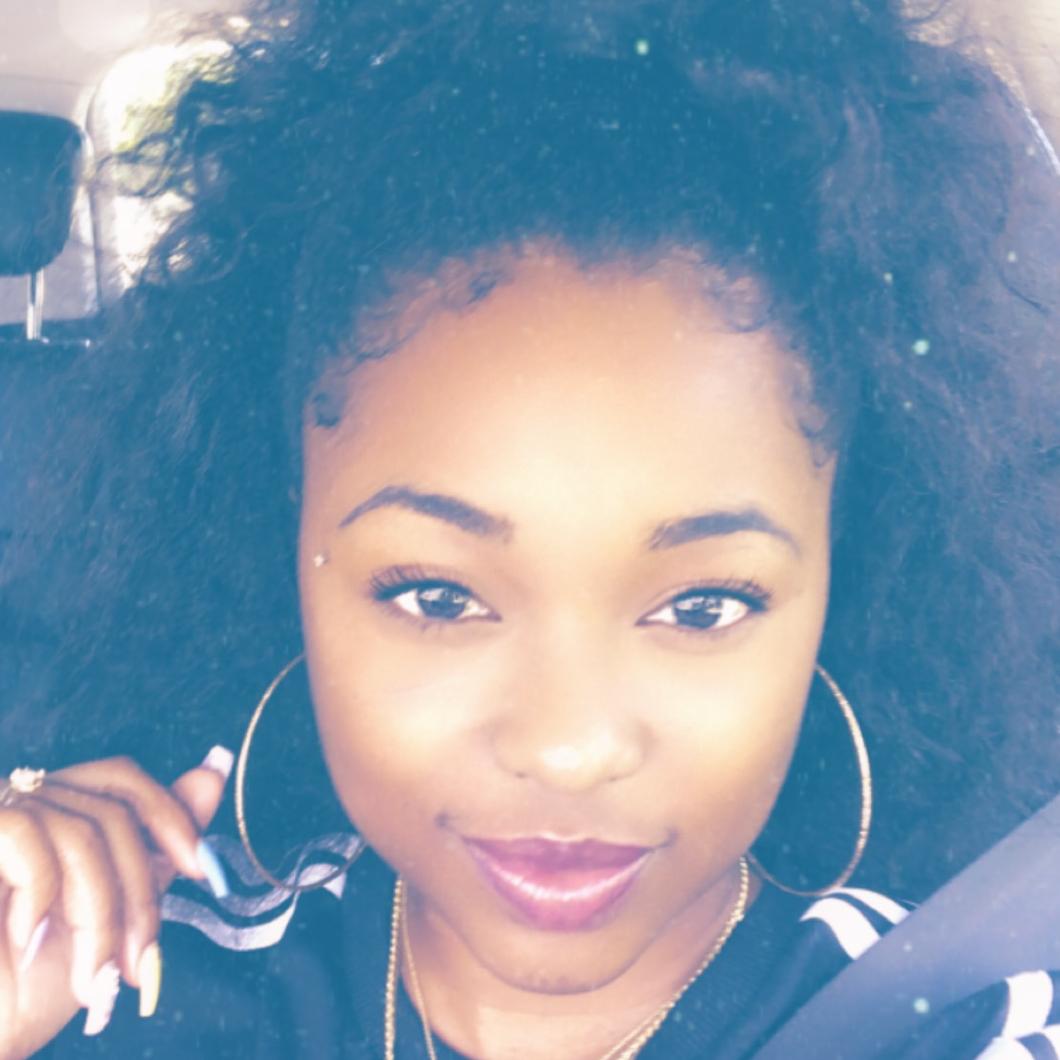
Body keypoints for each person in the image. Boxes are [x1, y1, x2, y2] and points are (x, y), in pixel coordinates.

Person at [1, 0, 1059, 1056]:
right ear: (292, 558)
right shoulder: (109, 979)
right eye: (437, 595)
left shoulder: (948, 1020)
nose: (568, 750)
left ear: (839, 580)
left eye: (703, 606)